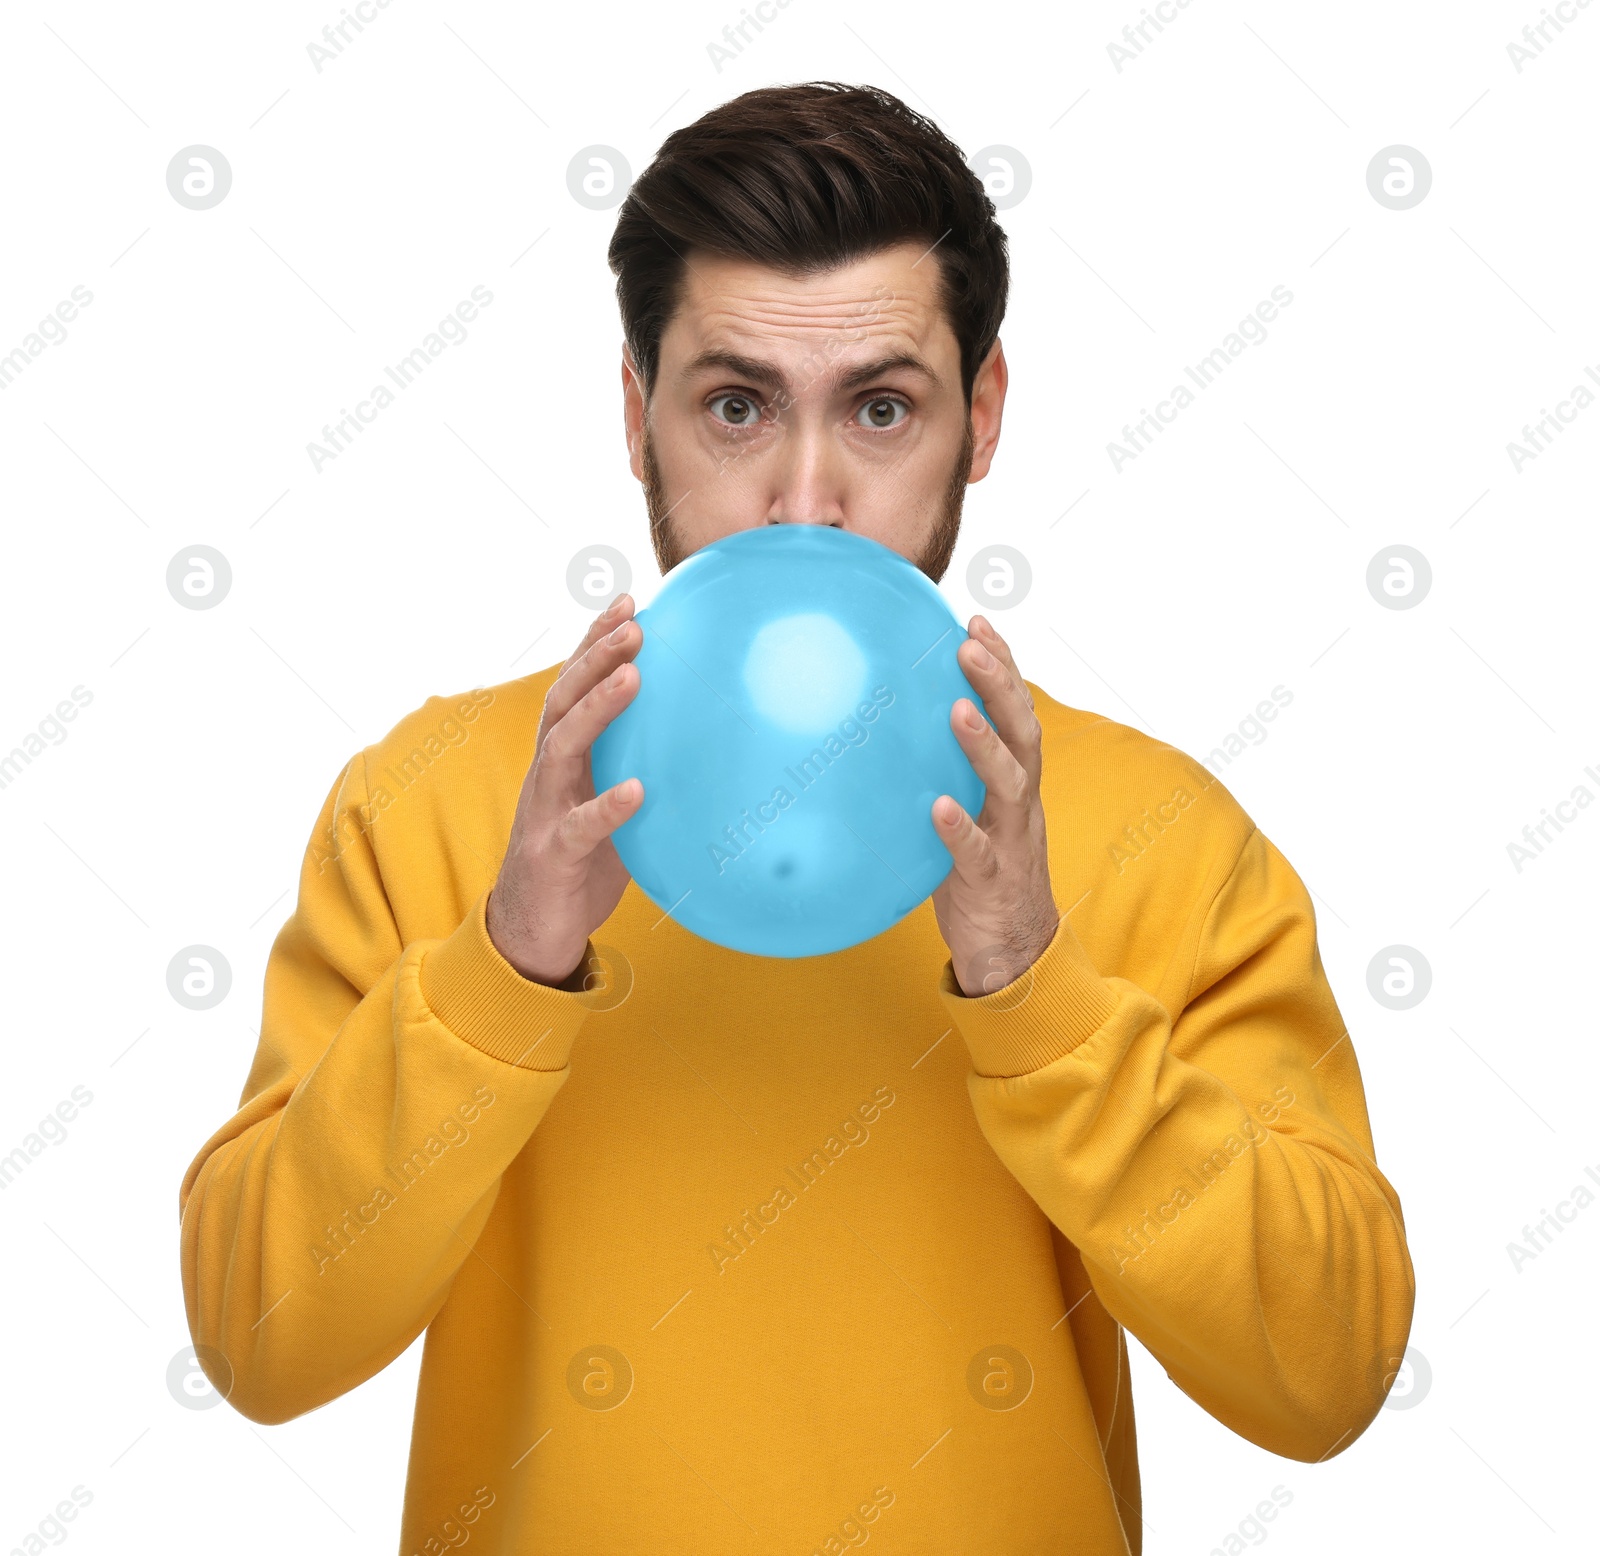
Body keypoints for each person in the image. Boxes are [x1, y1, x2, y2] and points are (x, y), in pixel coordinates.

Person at [179, 81, 1414, 1555]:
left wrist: (1041, 992)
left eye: (881, 408)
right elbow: (260, 1343)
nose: (806, 500)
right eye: (736, 405)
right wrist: (503, 968)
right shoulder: (433, 803)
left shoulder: (1161, 834)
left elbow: (1326, 1377)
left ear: (985, 417)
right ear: (638, 417)